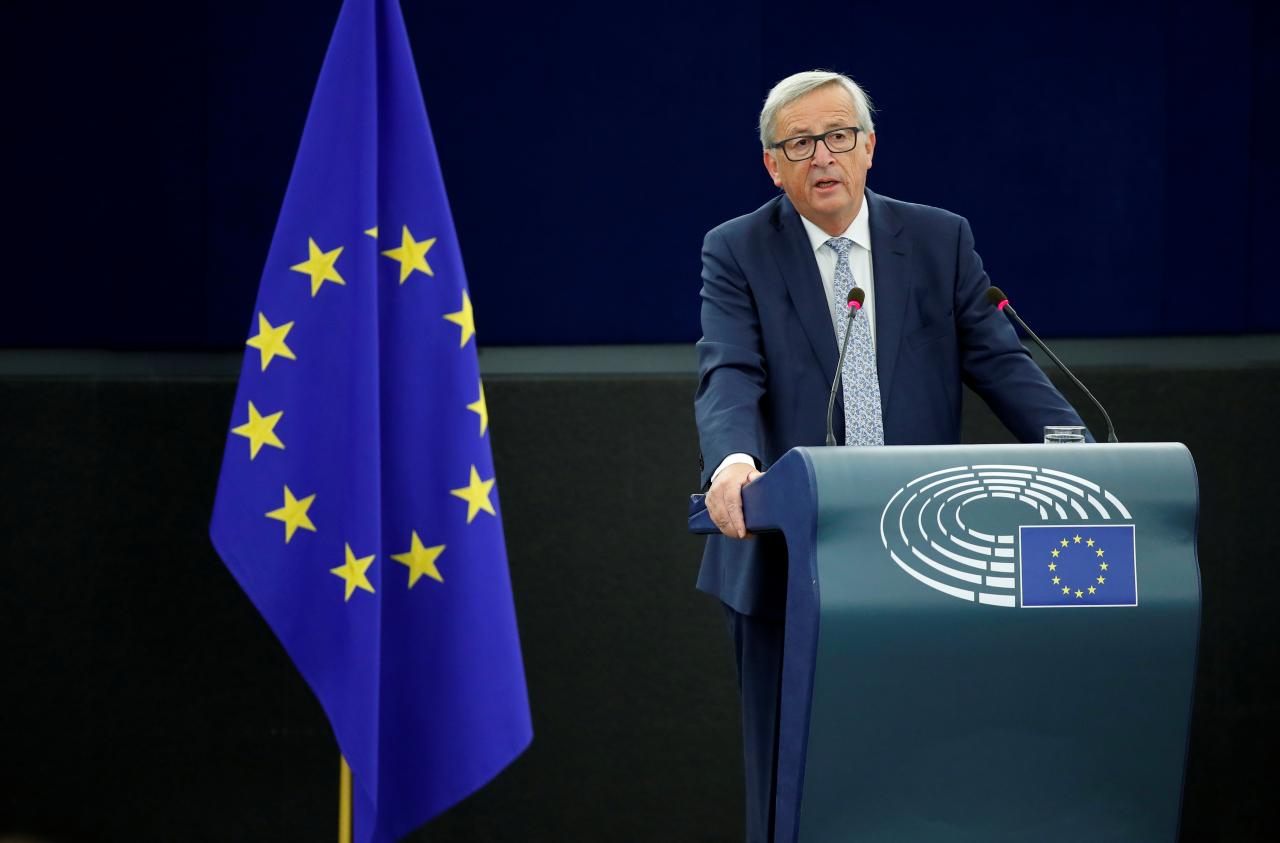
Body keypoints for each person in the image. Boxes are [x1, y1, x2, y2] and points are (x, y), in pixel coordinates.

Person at [693, 70, 1089, 843]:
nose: (823, 156)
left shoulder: (939, 239)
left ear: (870, 148)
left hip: (927, 553)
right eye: (799, 143)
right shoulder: (738, 249)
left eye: (840, 136)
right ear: (773, 165)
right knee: (794, 783)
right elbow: (729, 369)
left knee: (924, 770)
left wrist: (1079, 455)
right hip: (790, 557)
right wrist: (732, 463)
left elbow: (1002, 363)